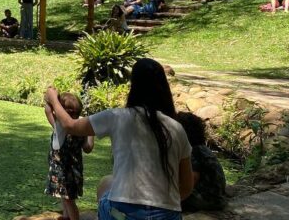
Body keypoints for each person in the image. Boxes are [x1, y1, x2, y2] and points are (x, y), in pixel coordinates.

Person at [46, 58, 194, 220]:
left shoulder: (118, 117)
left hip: (122, 215)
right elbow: (186, 187)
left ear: (133, 86)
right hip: (167, 215)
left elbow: (70, 125)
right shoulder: (176, 128)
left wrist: (53, 99)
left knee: (106, 183)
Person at [44, 91, 95, 220]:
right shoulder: (81, 128)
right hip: (73, 171)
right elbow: (88, 148)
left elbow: (47, 111)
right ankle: (66, 217)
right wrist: (91, 132)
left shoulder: (60, 127)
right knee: (66, 198)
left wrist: (51, 98)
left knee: (68, 200)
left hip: (63, 173)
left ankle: (72, 218)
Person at [175, 112, 228, 213]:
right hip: (215, 196)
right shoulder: (201, 149)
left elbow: (192, 180)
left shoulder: (192, 152)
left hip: (207, 199)